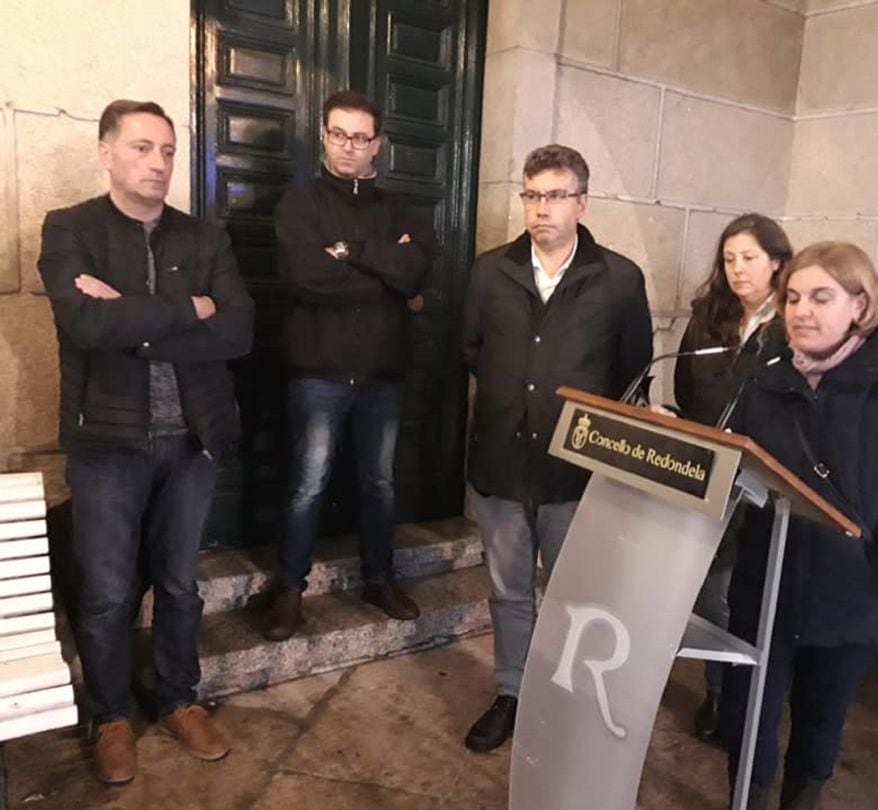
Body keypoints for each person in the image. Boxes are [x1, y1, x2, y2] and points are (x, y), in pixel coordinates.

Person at [38, 100, 254, 785]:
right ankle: (109, 717)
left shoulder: (205, 237)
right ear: (106, 153)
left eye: (166, 150)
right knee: (104, 591)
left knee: (181, 586)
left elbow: (240, 331)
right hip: (106, 445)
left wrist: (129, 314)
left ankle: (179, 698)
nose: (158, 163)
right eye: (141, 148)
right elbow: (85, 328)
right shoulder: (69, 229)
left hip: (193, 441)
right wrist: (192, 309)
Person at [719, 242, 878, 809]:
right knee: (744, 714)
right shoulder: (766, 380)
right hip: (766, 587)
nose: (802, 311)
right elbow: (733, 463)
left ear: (859, 304)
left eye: (821, 297)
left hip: (851, 600)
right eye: (794, 297)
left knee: (820, 721)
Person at [461, 144, 653, 752]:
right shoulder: (491, 271)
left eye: (555, 195)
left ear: (582, 203)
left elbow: (633, 371)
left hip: (576, 471)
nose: (541, 208)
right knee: (508, 588)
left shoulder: (619, 279)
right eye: (532, 194)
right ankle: (513, 692)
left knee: (576, 595)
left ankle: (566, 699)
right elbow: (471, 350)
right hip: (502, 462)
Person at [265, 90, 433, 640]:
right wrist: (384, 273)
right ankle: (289, 590)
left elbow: (415, 271)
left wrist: (350, 250)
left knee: (379, 484)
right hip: (317, 373)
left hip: (382, 374)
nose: (348, 147)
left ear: (377, 145)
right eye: (339, 134)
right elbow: (305, 278)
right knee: (307, 486)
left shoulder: (400, 210)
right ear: (323, 136)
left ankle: (378, 578)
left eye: (360, 138)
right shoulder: (299, 204)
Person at [671, 214, 793, 744]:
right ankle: (721, 692)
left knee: (755, 595)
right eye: (729, 259)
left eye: (749, 258)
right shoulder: (707, 319)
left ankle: (754, 696)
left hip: (766, 486)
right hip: (709, 478)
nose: (738, 270)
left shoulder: (792, 325)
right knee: (711, 592)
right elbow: (686, 388)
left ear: (777, 262)